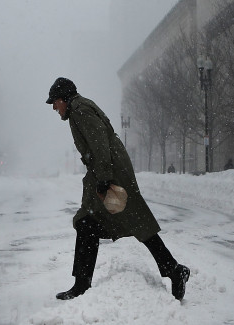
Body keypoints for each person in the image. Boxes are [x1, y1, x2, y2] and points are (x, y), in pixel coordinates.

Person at [46, 77, 190, 301]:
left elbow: (99, 142)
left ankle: (173, 269)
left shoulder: (80, 110)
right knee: (91, 223)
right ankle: (82, 284)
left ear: (64, 98)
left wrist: (104, 178)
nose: (54, 107)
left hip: (112, 174)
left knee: (129, 221)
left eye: (55, 102)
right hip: (107, 171)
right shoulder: (77, 109)